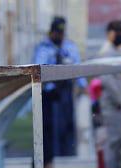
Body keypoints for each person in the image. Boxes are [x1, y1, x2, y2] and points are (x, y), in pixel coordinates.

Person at [33, 17, 87, 158]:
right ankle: (51, 156)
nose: (60, 36)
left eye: (61, 33)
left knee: (66, 125)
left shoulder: (69, 47)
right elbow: (37, 67)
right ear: (51, 32)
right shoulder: (43, 47)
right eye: (57, 33)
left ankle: (67, 154)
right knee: (49, 126)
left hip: (65, 93)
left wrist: (83, 86)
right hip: (48, 94)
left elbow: (77, 67)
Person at [97, 20, 121, 168]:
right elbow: (107, 80)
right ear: (110, 33)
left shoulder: (118, 51)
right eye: (118, 32)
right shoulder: (107, 52)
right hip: (113, 105)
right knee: (113, 142)